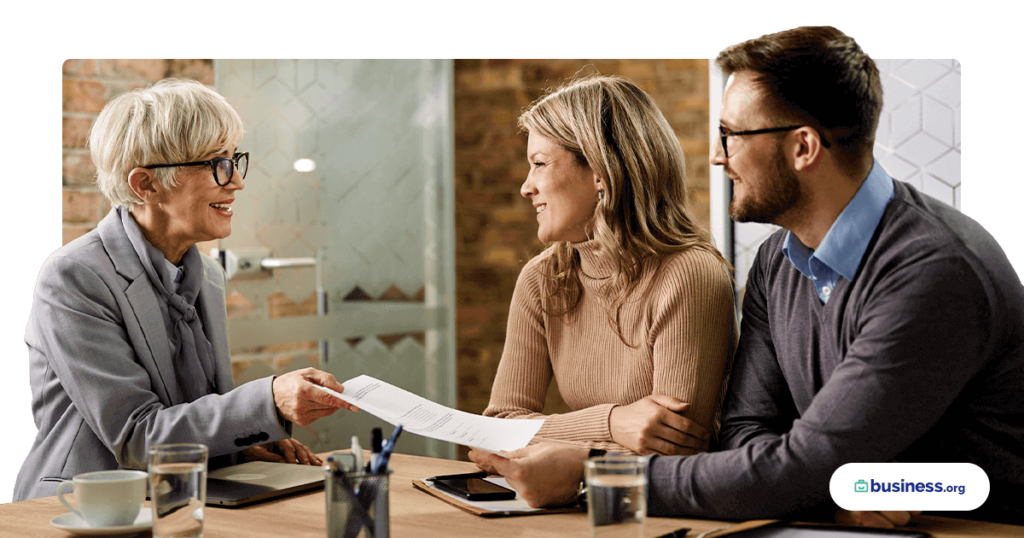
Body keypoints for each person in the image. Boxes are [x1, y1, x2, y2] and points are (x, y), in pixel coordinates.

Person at [480, 27, 1023, 527]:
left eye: (733, 135)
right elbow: (746, 435)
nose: (717, 157)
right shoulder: (776, 262)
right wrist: (828, 483)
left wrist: (592, 472)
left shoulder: (931, 271)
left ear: (803, 147)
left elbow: (804, 464)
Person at [15, 79, 358, 502]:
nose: (237, 182)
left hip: (184, 501)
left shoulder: (208, 275)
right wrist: (266, 400)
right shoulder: (72, 276)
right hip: (85, 510)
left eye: (235, 159)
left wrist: (246, 438)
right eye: (217, 163)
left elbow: (186, 413)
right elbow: (138, 435)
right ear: (146, 185)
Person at [470, 75, 737, 464]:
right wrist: (613, 424)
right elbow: (492, 435)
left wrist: (546, 444)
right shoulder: (542, 279)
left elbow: (674, 455)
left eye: (539, 164)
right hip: (576, 508)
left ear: (600, 172)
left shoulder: (690, 275)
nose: (526, 187)